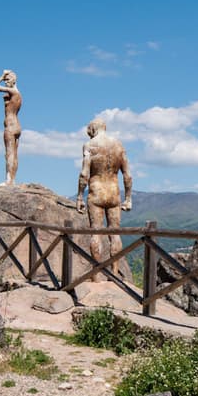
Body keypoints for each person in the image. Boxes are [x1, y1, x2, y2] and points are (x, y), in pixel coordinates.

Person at [76, 118, 132, 278]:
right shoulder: (118, 145)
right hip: (114, 193)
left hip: (97, 193)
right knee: (115, 233)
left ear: (93, 129)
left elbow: (84, 174)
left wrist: (80, 196)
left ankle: (96, 275)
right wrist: (128, 198)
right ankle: (114, 273)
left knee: (96, 233)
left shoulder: (90, 146)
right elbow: (127, 175)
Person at [0, 69, 23, 185]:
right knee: (14, 153)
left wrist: (2, 76)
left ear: (13, 80)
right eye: (5, 80)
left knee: (9, 153)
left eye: (7, 80)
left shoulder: (13, 92)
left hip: (10, 125)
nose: (5, 82)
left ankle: (8, 180)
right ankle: (12, 179)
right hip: (17, 126)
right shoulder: (18, 94)